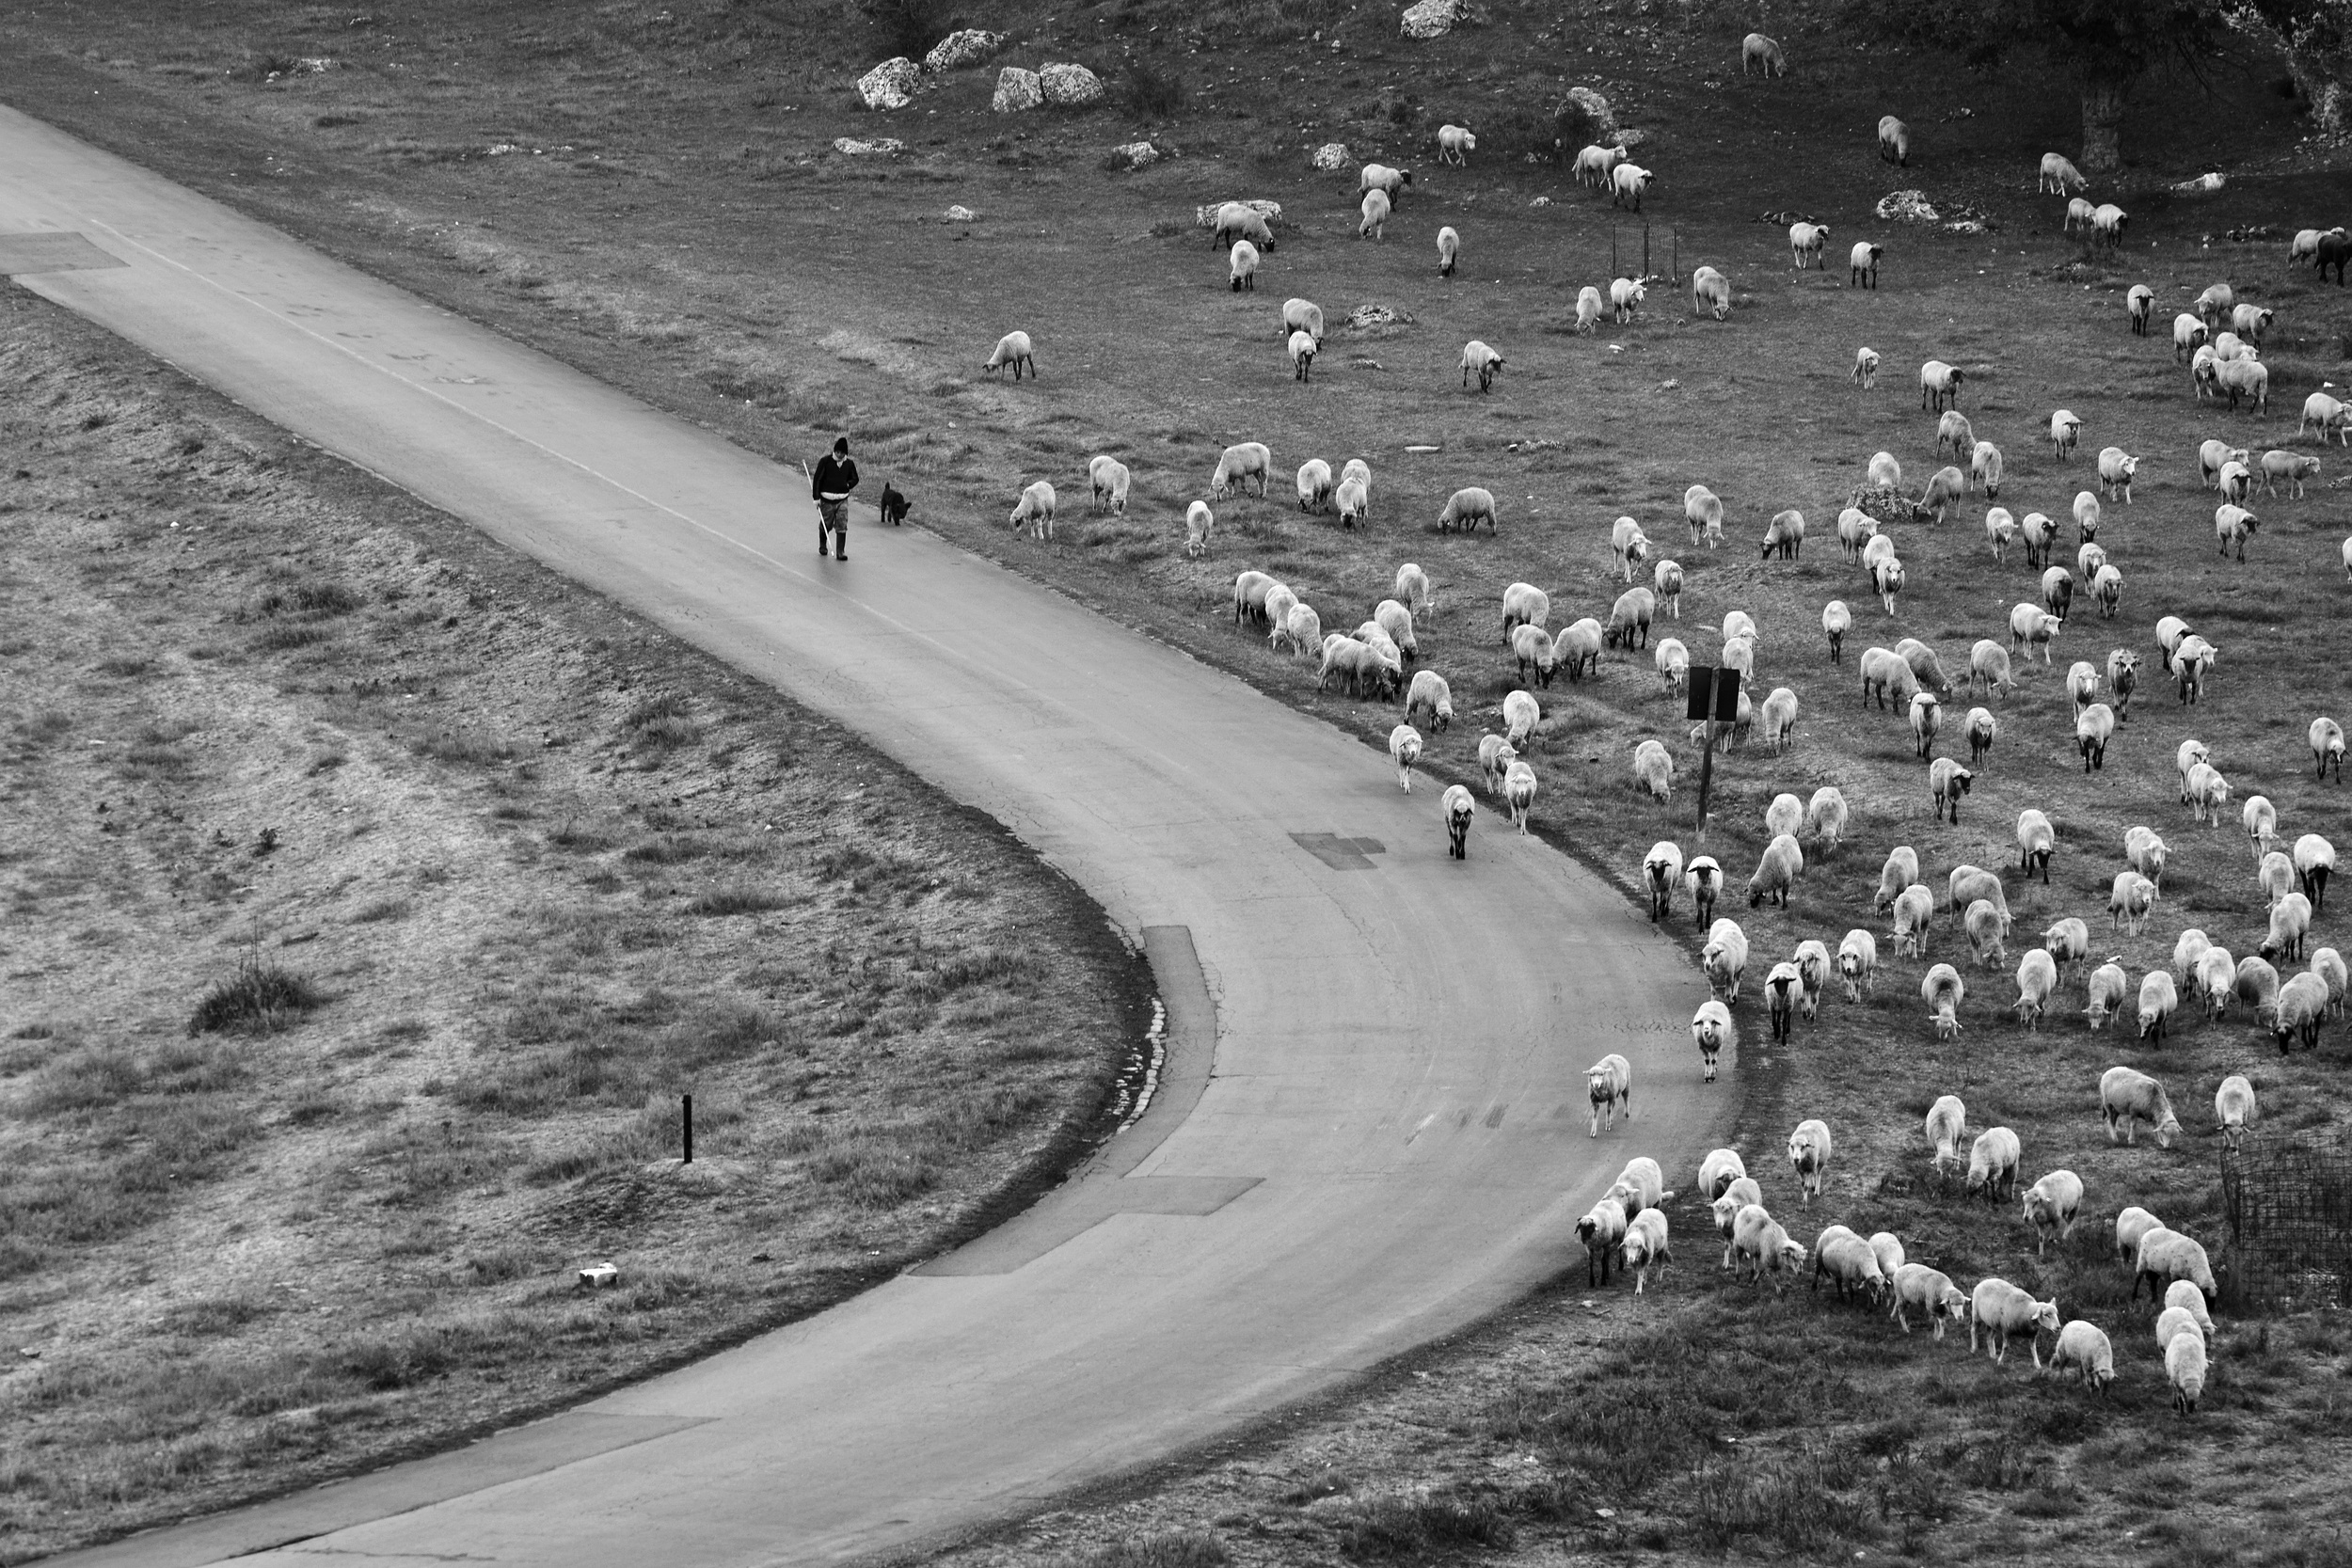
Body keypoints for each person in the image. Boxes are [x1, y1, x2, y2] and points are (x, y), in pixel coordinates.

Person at [810, 436, 859, 561]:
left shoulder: (849, 464)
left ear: (845, 453)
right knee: (827, 523)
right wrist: (816, 498)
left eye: (842, 453)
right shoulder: (825, 462)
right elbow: (817, 480)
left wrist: (848, 485)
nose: (839, 455)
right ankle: (823, 544)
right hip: (827, 500)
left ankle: (840, 551)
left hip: (842, 499)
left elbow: (855, 478)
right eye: (837, 452)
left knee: (842, 523)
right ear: (834, 451)